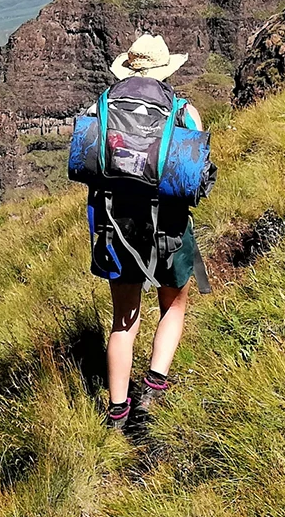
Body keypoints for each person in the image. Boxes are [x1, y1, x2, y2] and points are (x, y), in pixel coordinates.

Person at [86, 34, 208, 429]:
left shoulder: (101, 106)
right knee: (173, 305)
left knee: (123, 319)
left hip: (115, 225)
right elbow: (196, 176)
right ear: (164, 70)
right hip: (168, 227)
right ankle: (153, 391)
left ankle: (117, 411)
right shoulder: (184, 111)